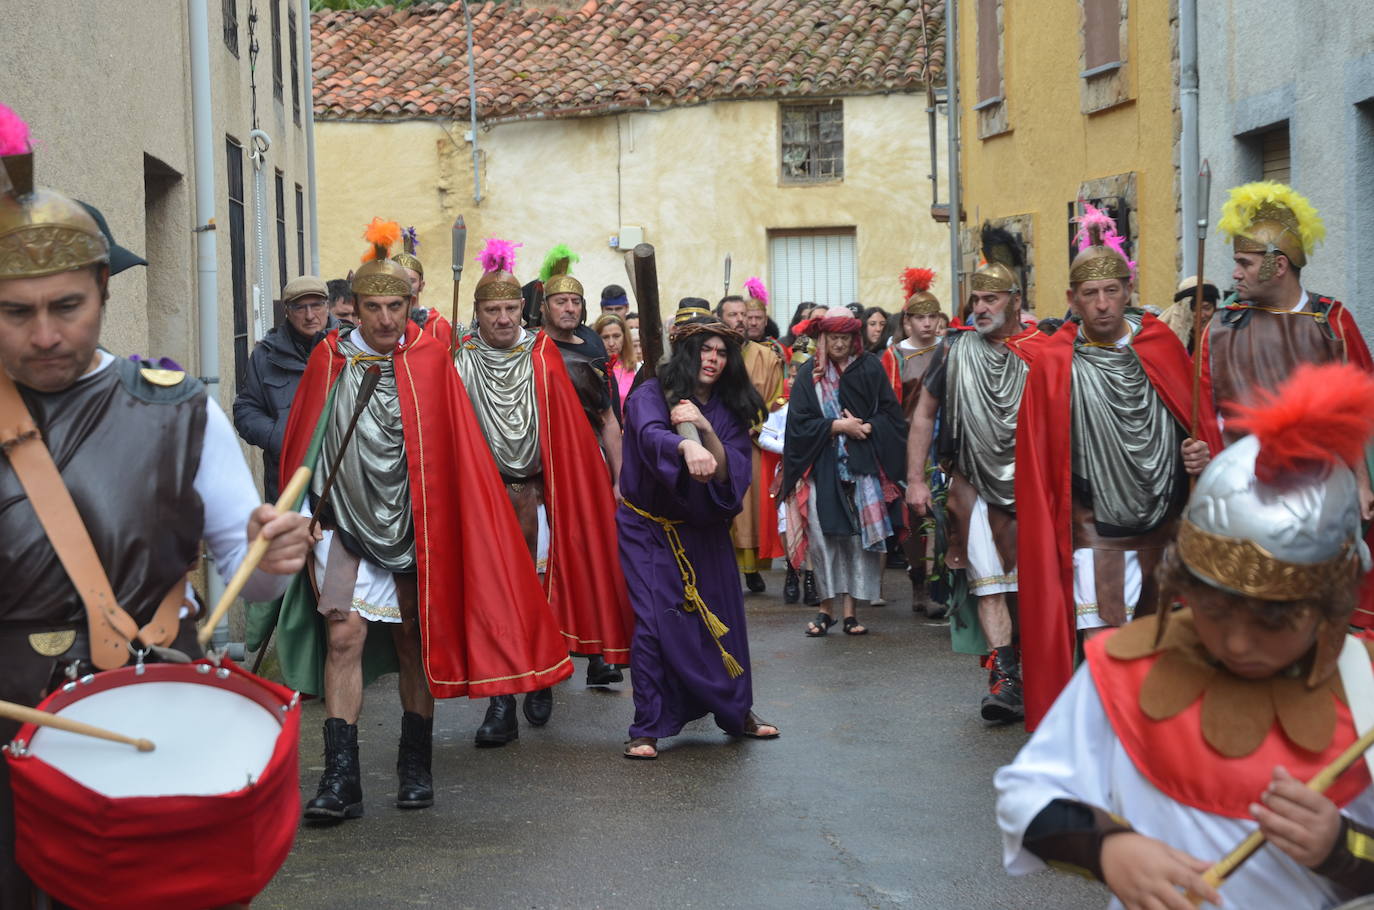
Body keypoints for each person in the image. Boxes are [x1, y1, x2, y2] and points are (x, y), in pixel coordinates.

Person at [0, 116, 313, 906]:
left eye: (67, 305)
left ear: (106, 288)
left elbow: (261, 587)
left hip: (152, 724)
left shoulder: (178, 412)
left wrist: (272, 556)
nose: (45, 334)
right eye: (15, 312)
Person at [996, 362, 1374, 910]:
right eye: (1215, 612)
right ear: (1185, 584)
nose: (1239, 643)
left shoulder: (1363, 693)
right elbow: (1025, 795)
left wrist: (1343, 847)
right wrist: (1110, 850)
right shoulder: (1127, 669)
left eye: (1273, 621)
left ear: (1330, 605)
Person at [278, 222, 571, 820]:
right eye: (372, 307)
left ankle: (415, 765)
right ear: (351, 308)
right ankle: (341, 779)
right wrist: (302, 514)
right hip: (341, 528)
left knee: (415, 642)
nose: (385, 320)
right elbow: (305, 447)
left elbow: (457, 453)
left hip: (417, 530)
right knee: (343, 637)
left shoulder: (434, 360)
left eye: (395, 306)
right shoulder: (329, 359)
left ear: (411, 304)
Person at [1015, 211, 1221, 729]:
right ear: (1072, 299)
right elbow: (1041, 457)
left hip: (1164, 520)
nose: (1103, 303)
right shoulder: (1055, 361)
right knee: (1103, 633)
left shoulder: (1161, 346)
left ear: (1128, 290)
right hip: (1092, 523)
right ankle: (1113, 729)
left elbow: (1194, 426)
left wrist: (1198, 452)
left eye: (1112, 290)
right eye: (1090, 293)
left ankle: (1151, 732)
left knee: (1160, 634)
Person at [455, 240, 633, 745]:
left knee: (540, 593)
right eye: (493, 310)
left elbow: (583, 428)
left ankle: (543, 673)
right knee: (495, 598)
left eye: (512, 308)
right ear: (478, 312)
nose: (505, 318)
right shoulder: (460, 360)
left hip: (538, 492)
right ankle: (500, 703)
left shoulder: (544, 354)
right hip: (485, 497)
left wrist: (605, 482)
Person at [1200, 181, 1374, 630]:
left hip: (1323, 498)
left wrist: (1361, 483)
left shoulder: (1331, 322)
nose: (1234, 274)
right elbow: (1203, 415)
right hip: (1246, 501)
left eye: (1244, 262)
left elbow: (1359, 412)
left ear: (1278, 266)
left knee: (1321, 622)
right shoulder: (1220, 329)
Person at [618, 306, 778, 759]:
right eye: (704, 350)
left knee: (723, 623)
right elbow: (649, 436)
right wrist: (683, 443)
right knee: (652, 625)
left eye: (721, 352)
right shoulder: (652, 393)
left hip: (704, 529)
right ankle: (646, 727)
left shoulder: (724, 408)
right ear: (688, 353)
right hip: (649, 529)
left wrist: (704, 430)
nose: (713, 359)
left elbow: (732, 466)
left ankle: (736, 711)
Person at [906, 225, 1046, 723]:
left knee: (1034, 585)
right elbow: (924, 413)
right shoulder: (952, 348)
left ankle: (1043, 672)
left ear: (1015, 300)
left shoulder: (1044, 348)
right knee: (988, 582)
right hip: (972, 484)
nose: (980, 307)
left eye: (991, 298)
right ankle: (1004, 678)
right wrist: (917, 479)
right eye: (975, 298)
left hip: (1036, 485)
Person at [780, 307, 907, 637]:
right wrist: (837, 425)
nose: (838, 344)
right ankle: (825, 609)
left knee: (856, 542)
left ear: (855, 340)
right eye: (833, 337)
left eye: (845, 338)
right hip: (822, 469)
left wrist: (866, 426)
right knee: (823, 541)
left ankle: (851, 613)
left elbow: (891, 415)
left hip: (861, 469)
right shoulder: (810, 374)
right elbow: (798, 425)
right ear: (823, 339)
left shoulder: (870, 369)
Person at [233, 274, 335, 501]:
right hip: (286, 478)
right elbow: (246, 409)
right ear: (287, 311)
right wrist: (281, 437)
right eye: (300, 307)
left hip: (342, 475)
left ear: (327, 306)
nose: (310, 315)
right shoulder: (265, 355)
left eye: (316, 305)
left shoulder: (348, 347)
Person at [883, 268, 946, 612]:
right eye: (919, 317)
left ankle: (946, 586)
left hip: (946, 445)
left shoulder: (951, 351)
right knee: (913, 520)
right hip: (909, 445)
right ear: (907, 322)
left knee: (948, 515)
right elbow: (887, 406)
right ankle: (918, 578)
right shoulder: (893, 357)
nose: (926, 324)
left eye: (931, 317)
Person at [718, 292, 786, 593]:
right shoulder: (713, 355)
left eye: (743, 314)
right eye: (732, 315)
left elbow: (777, 398)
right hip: (719, 444)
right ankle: (724, 570)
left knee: (752, 507)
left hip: (753, 443)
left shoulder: (767, 357)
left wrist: (756, 426)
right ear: (721, 319)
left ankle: (751, 571)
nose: (740, 320)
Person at [538, 245, 625, 458]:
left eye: (575, 302)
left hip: (589, 450)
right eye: (561, 302)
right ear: (544, 307)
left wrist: (618, 479)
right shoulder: (532, 347)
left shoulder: (593, 344)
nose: (570, 308)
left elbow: (607, 416)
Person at [1160, 276, 1219, 353]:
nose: (1201, 315)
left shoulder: (1221, 337)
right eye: (1194, 309)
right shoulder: (1165, 338)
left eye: (1207, 308)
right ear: (1183, 311)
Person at [594, 311, 640, 410]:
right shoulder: (591, 368)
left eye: (616, 336)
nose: (611, 343)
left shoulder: (637, 368)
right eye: (605, 337)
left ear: (625, 337)